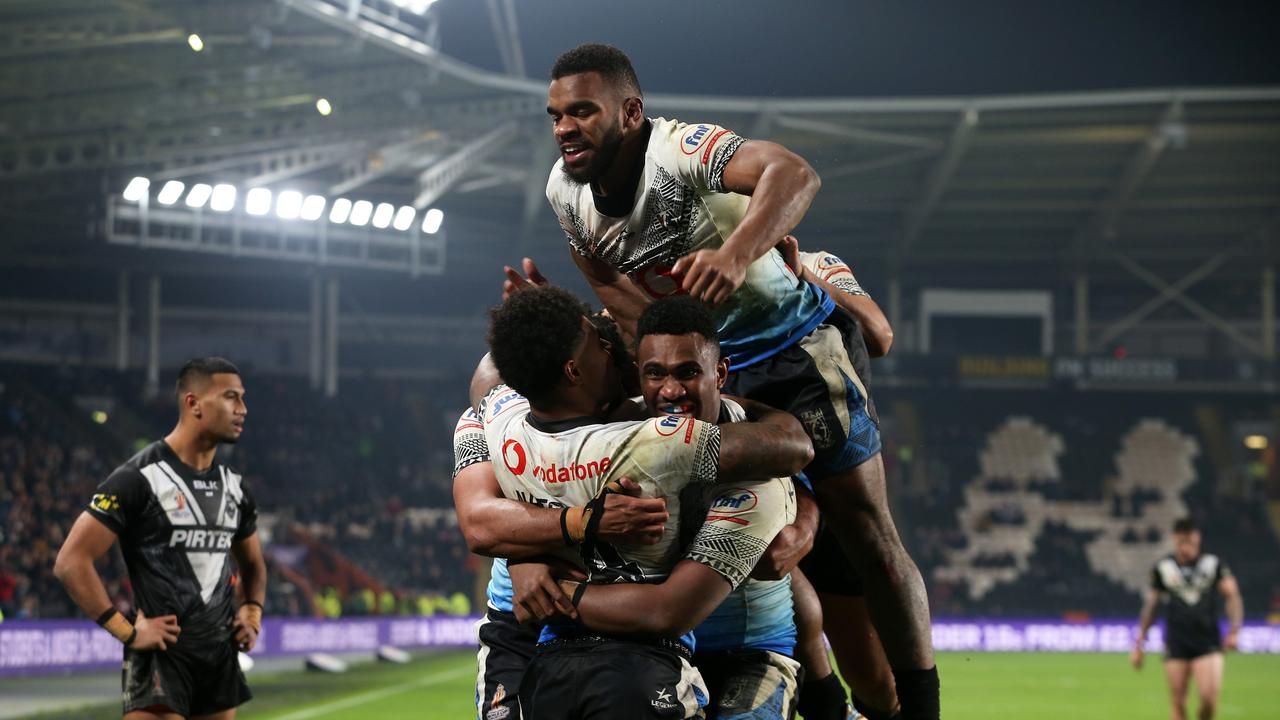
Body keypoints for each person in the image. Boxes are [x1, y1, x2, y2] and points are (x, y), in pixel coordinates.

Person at [525, 42, 937, 718]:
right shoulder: (563, 192)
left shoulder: (679, 151)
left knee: (864, 532)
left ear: (630, 113)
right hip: (709, 375)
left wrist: (736, 253)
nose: (566, 128)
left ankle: (923, 708)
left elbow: (794, 172)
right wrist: (636, 348)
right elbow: (602, 275)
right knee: (766, 556)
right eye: (555, 116)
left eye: (582, 112)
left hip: (792, 352)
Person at [472, 285, 813, 719]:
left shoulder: (506, 419)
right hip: (563, 635)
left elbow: (667, 612)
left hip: (733, 646)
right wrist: (530, 556)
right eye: (655, 374)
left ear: (720, 374)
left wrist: (543, 578)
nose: (670, 391)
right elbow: (792, 442)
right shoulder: (631, 432)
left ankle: (829, 698)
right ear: (636, 373)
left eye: (688, 372)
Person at [54, 357, 264, 720]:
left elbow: (253, 564)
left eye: (242, 398)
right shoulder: (140, 478)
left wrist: (251, 613)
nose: (242, 409)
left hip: (218, 656)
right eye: (231, 397)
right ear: (193, 403)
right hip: (160, 659)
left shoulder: (235, 488)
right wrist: (128, 632)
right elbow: (71, 562)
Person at [1132, 517, 1243, 720]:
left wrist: (1234, 630)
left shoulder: (1213, 564)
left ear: (1197, 539)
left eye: (1191, 542)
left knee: (1209, 699)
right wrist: (1140, 642)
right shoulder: (1163, 568)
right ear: (1175, 539)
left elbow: (1232, 596)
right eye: (1183, 542)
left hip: (1208, 641)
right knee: (1178, 702)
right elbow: (1151, 606)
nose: (1187, 547)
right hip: (1176, 641)